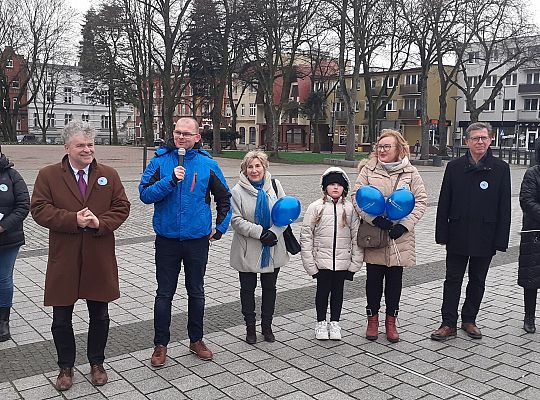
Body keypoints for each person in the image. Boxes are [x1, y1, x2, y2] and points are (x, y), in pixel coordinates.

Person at [30, 121, 130, 391]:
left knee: (100, 315)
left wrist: (101, 222)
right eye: (81, 145)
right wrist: (72, 219)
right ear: (66, 147)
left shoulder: (108, 174)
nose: (88, 149)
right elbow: (39, 209)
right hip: (65, 257)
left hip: (99, 255)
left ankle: (97, 362)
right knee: (61, 318)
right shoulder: (48, 175)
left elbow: (122, 207)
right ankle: (65, 367)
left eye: (90, 144)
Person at [139, 117, 231, 366]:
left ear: (197, 137)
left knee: (196, 291)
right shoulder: (160, 161)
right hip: (167, 239)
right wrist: (169, 180)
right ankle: (160, 344)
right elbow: (145, 195)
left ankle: (196, 339)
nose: (181, 137)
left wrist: (220, 227)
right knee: (164, 293)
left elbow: (225, 198)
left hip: (196, 241)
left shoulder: (207, 164)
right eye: (178, 132)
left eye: (187, 134)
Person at [431, 122, 511, 341]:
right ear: (466, 142)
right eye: (475, 138)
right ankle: (448, 323)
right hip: (457, 232)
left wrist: (501, 239)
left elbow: (504, 207)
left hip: (485, 234)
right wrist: (442, 233)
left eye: (484, 138)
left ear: (491, 140)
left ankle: (469, 319)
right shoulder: (454, 167)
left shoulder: (501, 169)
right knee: (452, 279)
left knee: (477, 279)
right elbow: (444, 202)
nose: (480, 142)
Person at [352, 129, 427, 343]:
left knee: (395, 282)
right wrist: (373, 219)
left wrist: (404, 225)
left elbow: (420, 201)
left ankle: (391, 322)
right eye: (379, 146)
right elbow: (357, 197)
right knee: (373, 280)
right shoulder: (368, 169)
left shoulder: (410, 173)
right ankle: (372, 320)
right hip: (375, 234)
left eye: (387, 146)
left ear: (399, 149)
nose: (381, 150)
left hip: (399, 238)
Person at [229, 151, 288, 344]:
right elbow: (236, 220)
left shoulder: (275, 186)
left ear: (264, 167)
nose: (254, 170)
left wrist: (274, 232)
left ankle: (267, 326)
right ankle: (250, 327)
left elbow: (285, 213)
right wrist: (259, 232)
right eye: (250, 167)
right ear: (245, 170)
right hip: (248, 247)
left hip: (272, 246)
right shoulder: (237, 191)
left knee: (269, 288)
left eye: (258, 166)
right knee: (247, 289)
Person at [300, 167, 363, 341]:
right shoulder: (315, 208)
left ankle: (335, 322)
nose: (335, 188)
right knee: (322, 293)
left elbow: (357, 237)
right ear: (325, 187)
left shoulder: (350, 209)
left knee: (338, 293)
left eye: (339, 185)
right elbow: (306, 237)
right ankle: (321, 322)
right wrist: (310, 265)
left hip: (342, 262)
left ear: (344, 188)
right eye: (331, 184)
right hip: (322, 262)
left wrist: (354, 264)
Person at [0, 145, 30, 342]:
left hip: (8, 239)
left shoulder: (12, 175)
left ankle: (3, 321)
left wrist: (3, 227)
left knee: (3, 278)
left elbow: (23, 205)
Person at [517, 139, 540, 333]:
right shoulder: (533, 173)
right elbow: (526, 199)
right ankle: (529, 317)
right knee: (531, 278)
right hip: (535, 233)